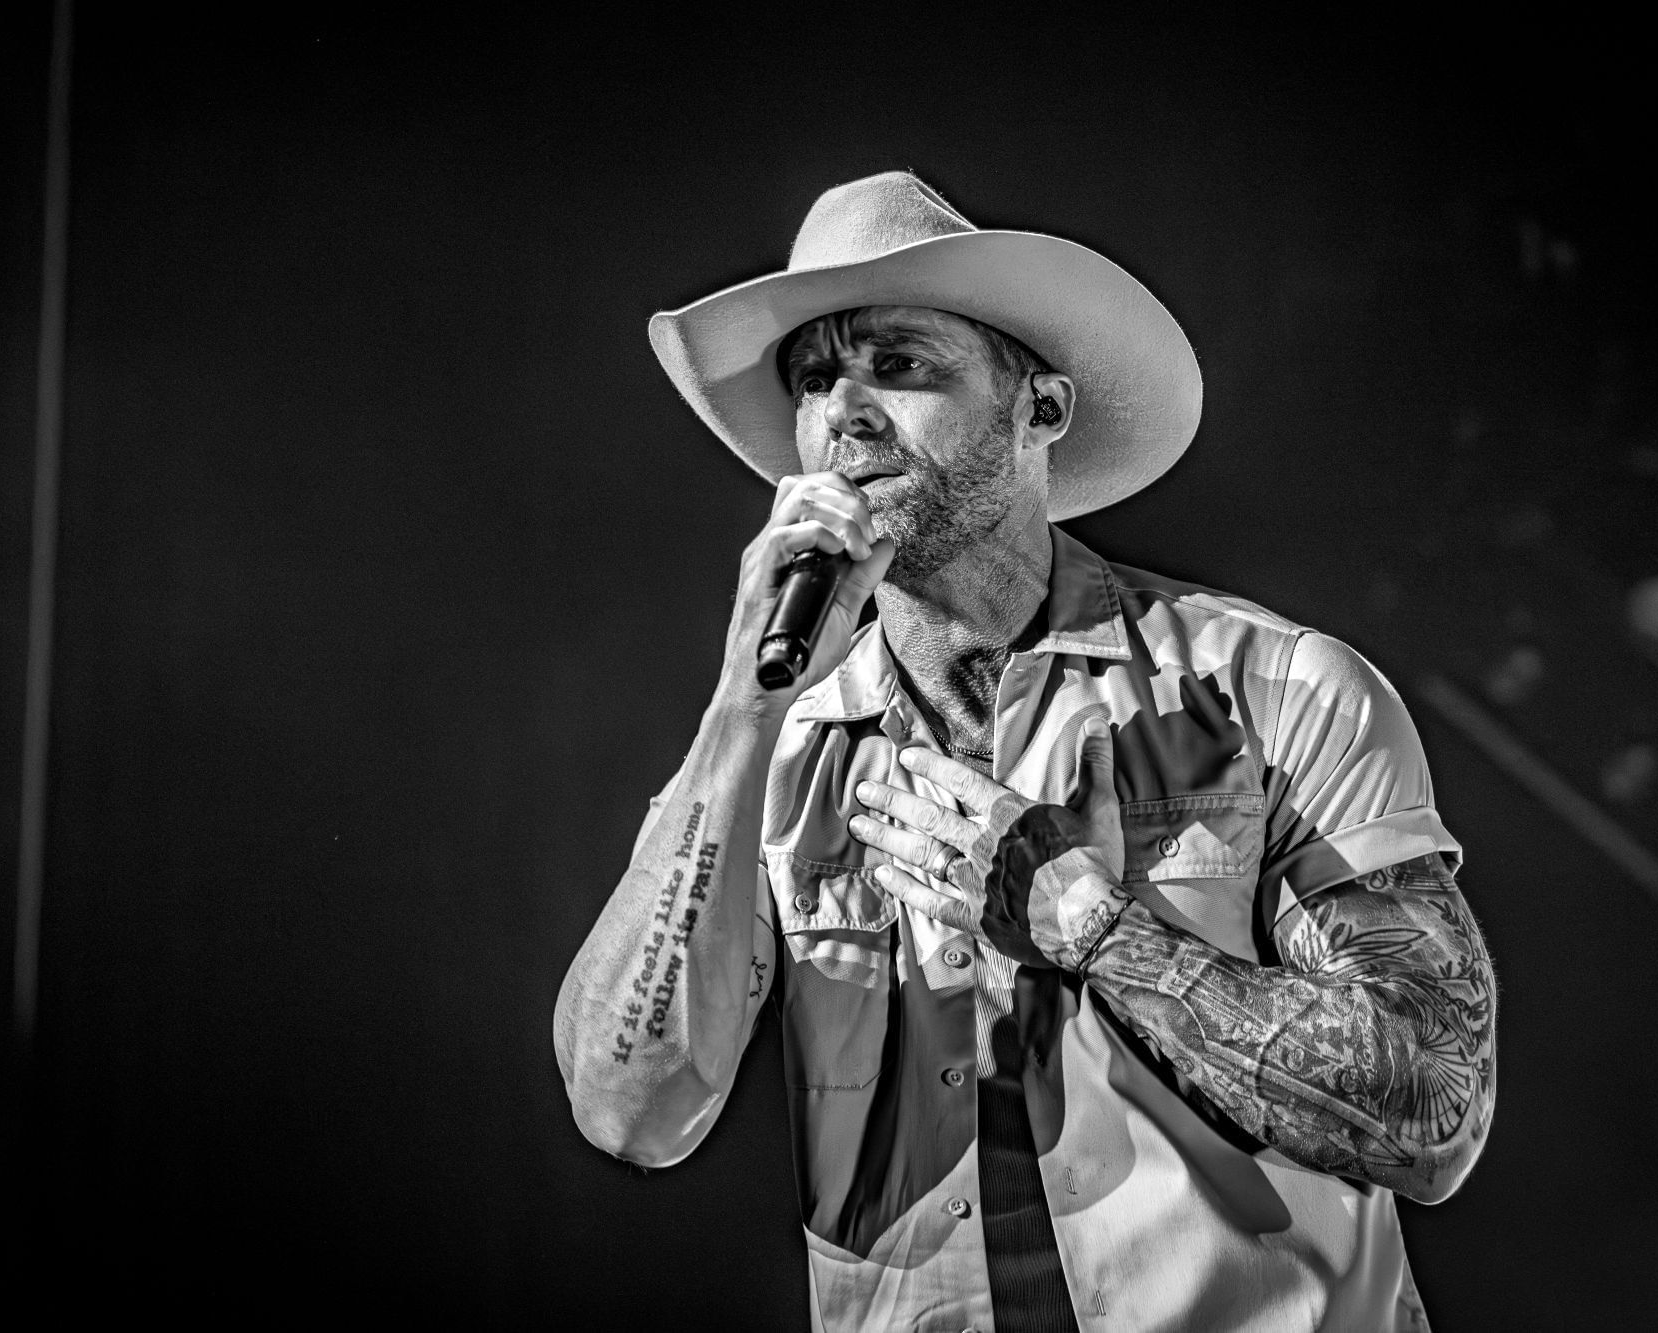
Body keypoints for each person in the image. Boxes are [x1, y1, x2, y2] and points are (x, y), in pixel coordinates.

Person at [554, 171, 1495, 1332]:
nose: (841, 412)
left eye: (898, 365)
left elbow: (1432, 1112)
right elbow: (629, 1111)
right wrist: (742, 705)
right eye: (812, 378)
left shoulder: (1276, 690)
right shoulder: (775, 758)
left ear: (1038, 409)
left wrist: (1082, 920)